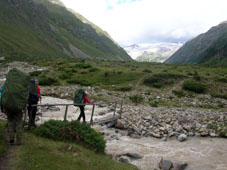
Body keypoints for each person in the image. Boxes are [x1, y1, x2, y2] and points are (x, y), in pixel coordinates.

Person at [1, 68, 30, 145]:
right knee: (19, 123)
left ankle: (11, 140)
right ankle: (19, 141)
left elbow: (3, 95)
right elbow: (25, 97)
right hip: (18, 108)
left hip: (8, 107)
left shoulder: (6, 85)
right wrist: (24, 107)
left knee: (10, 122)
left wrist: (3, 107)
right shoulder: (21, 88)